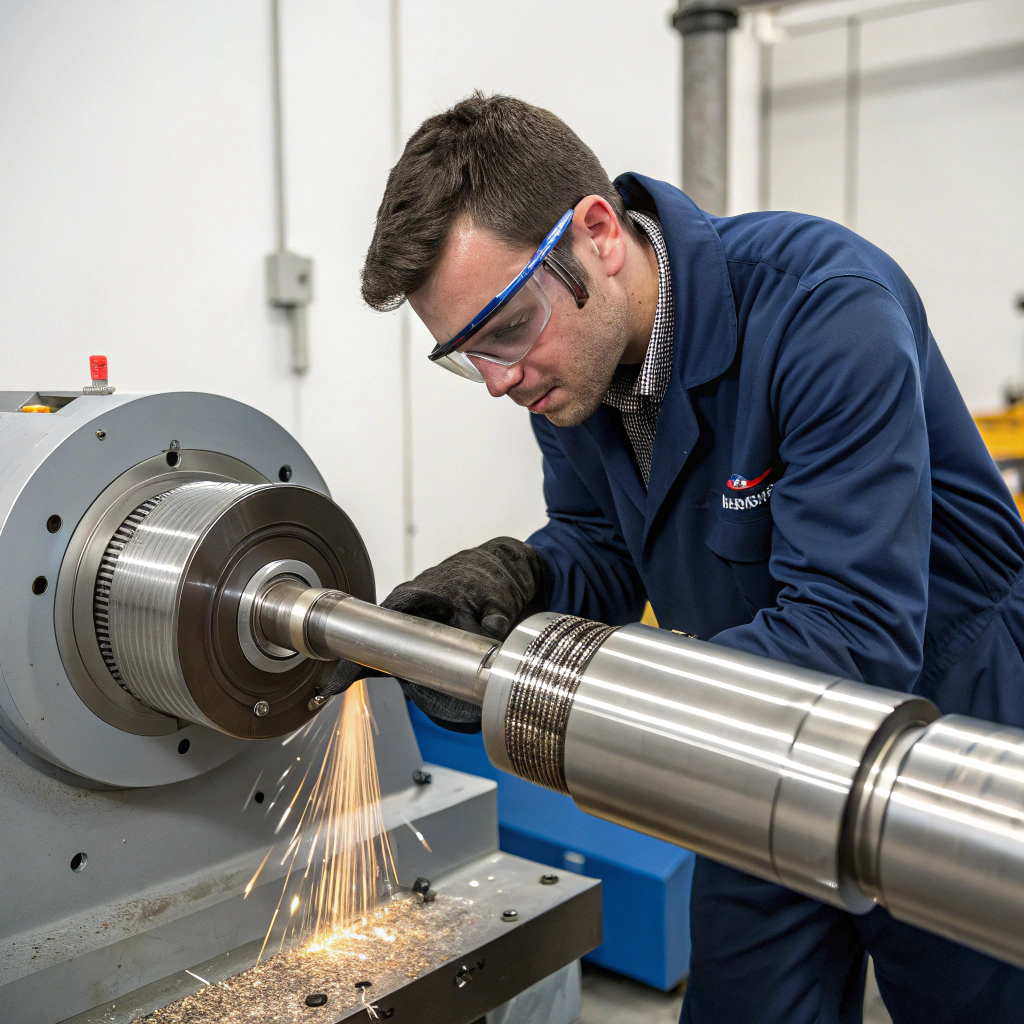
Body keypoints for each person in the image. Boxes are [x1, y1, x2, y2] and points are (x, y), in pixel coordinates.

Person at [321, 92, 1024, 1023]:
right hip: (750, 741)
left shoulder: (823, 308)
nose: (498, 381)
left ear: (598, 234)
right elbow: (602, 546)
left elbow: (853, 639)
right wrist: (514, 583)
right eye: (465, 354)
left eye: (505, 328)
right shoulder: (574, 374)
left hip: (942, 739)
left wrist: (565, 691)